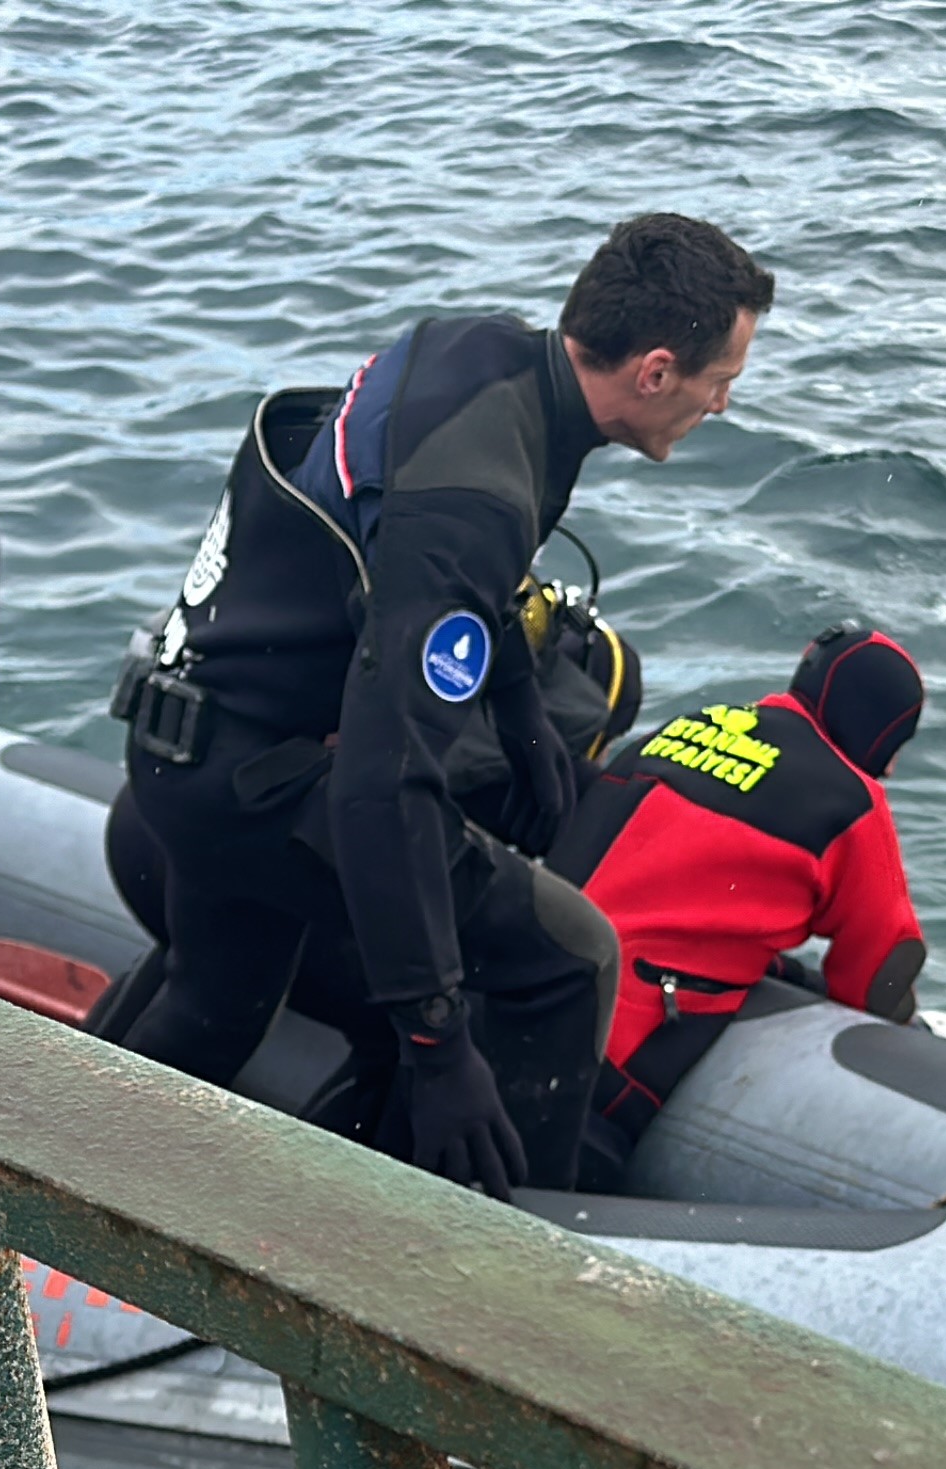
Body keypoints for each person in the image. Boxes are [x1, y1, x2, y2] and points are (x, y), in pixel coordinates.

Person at [102, 214, 771, 1199]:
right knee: (569, 958)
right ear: (656, 371)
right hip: (259, 783)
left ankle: (50, 1197)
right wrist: (437, 1040)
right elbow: (382, 788)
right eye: (721, 380)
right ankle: (501, 1268)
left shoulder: (481, 356)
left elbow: (428, 574)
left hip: (182, 744)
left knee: (218, 1000)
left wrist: (521, 716)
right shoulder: (474, 499)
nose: (721, 403)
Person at [546, 624, 928, 1188]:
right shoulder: (852, 799)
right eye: (894, 748)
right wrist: (911, 1030)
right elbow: (882, 970)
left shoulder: (685, 727)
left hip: (513, 986)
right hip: (609, 1059)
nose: (890, 769)